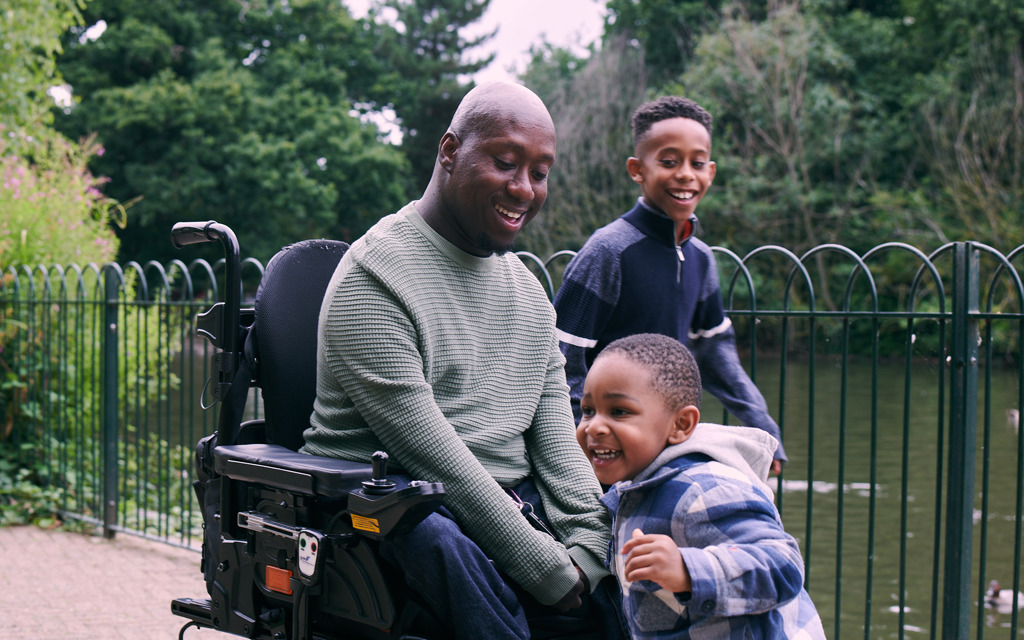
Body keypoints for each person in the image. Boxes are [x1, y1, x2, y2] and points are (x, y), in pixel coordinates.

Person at [301, 81, 621, 640]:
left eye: (540, 173)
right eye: (505, 163)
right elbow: (434, 459)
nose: (524, 189)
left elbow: (554, 444)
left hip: (507, 505)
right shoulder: (374, 280)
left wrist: (592, 544)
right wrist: (549, 569)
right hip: (383, 510)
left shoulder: (527, 293)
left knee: (627, 565)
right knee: (437, 538)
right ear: (450, 152)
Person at [553, 95, 787, 473]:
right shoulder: (608, 251)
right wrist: (584, 446)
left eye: (697, 163)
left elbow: (715, 354)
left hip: (664, 443)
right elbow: (561, 358)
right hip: (604, 451)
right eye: (668, 161)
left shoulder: (701, 258)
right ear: (637, 169)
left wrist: (763, 427)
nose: (684, 174)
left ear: (711, 172)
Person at [577, 333, 824, 639]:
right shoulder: (633, 490)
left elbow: (784, 565)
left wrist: (690, 570)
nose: (594, 426)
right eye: (588, 410)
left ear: (680, 425)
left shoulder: (704, 488)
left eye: (619, 412)